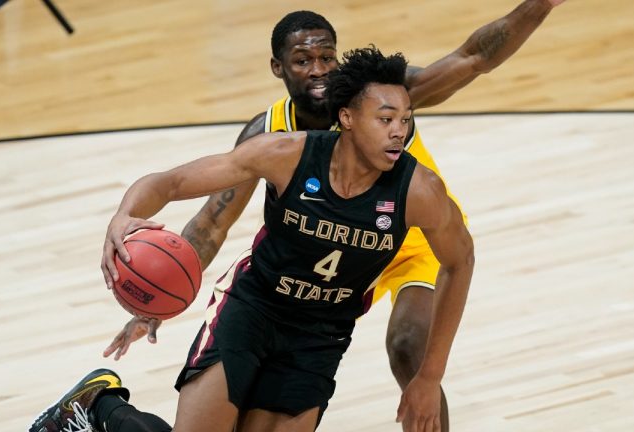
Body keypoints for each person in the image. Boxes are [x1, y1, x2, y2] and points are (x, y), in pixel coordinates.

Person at [102, 0, 563, 429]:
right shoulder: (274, 141)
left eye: (328, 58)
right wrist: (156, 293)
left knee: (410, 349)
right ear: (279, 68)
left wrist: (537, 5)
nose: (319, 71)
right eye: (304, 61)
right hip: (299, 270)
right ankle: (100, 410)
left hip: (400, 245)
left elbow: (475, 56)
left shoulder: (385, 104)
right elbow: (209, 220)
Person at [31, 46, 473, 432]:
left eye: (406, 119)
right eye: (386, 118)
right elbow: (172, 182)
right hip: (252, 310)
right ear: (348, 118)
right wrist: (125, 215)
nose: (400, 130)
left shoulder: (418, 191)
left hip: (320, 335)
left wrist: (429, 377)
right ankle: (97, 404)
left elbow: (460, 261)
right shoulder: (286, 155)